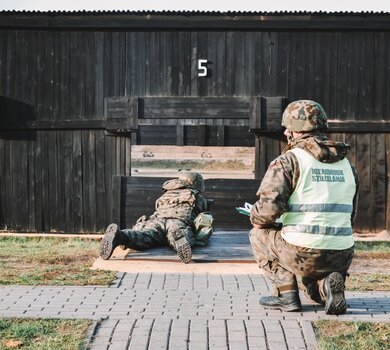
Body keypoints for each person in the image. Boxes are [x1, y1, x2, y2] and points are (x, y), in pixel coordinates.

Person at [249, 100, 359, 315]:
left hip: (302, 251)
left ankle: (287, 295)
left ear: (292, 130)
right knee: (316, 280)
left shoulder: (289, 160)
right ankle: (327, 286)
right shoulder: (347, 164)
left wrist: (256, 217)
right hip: (342, 252)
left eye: (286, 128)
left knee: (258, 233)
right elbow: (352, 213)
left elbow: (267, 211)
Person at [99, 171, 211, 264]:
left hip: (157, 220)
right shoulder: (196, 196)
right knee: (178, 235)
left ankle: (121, 235)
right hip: (178, 221)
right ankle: (180, 237)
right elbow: (204, 216)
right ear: (195, 183)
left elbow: (157, 208)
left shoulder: (167, 194)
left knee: (143, 236)